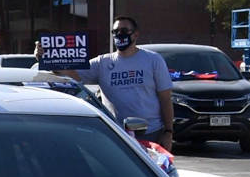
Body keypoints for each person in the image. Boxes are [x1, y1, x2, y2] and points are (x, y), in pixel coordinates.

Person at [46, 17, 175, 150]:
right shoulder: (102, 63)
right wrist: (47, 57)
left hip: (151, 133)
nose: (119, 34)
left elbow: (165, 99)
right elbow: (71, 74)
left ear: (136, 34)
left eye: (124, 30)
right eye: (115, 31)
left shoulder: (153, 60)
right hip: (116, 134)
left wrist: (168, 132)